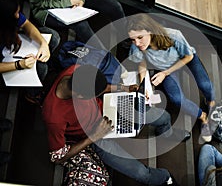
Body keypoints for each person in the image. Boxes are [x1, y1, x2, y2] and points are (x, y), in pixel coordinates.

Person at [42, 64, 180, 186]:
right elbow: (57, 157)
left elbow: (101, 89)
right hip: (95, 136)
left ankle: (167, 133)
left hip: (108, 108)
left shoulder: (76, 70)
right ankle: (165, 178)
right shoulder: (53, 116)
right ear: (79, 96)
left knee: (163, 117)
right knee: (141, 173)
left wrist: (123, 88)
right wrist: (94, 136)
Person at [127, 13, 216, 142]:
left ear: (150, 30)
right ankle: (203, 116)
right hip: (165, 69)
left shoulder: (174, 35)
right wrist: (144, 85)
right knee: (176, 99)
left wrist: (165, 73)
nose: (137, 43)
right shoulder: (136, 46)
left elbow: (189, 56)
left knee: (205, 85)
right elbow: (142, 64)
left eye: (140, 37)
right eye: (132, 39)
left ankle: (211, 101)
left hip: (184, 60)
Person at [0, 0, 58, 104]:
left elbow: (26, 24)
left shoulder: (7, 10)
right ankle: (32, 94)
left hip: (9, 44)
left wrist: (43, 43)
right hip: (4, 63)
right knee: (41, 69)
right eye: (15, 14)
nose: (18, 16)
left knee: (53, 36)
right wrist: (18, 65)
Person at [28, 0, 127, 50]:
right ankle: (106, 58)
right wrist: (67, 2)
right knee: (80, 24)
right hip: (47, 9)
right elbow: (38, 3)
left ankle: (127, 39)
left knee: (113, 5)